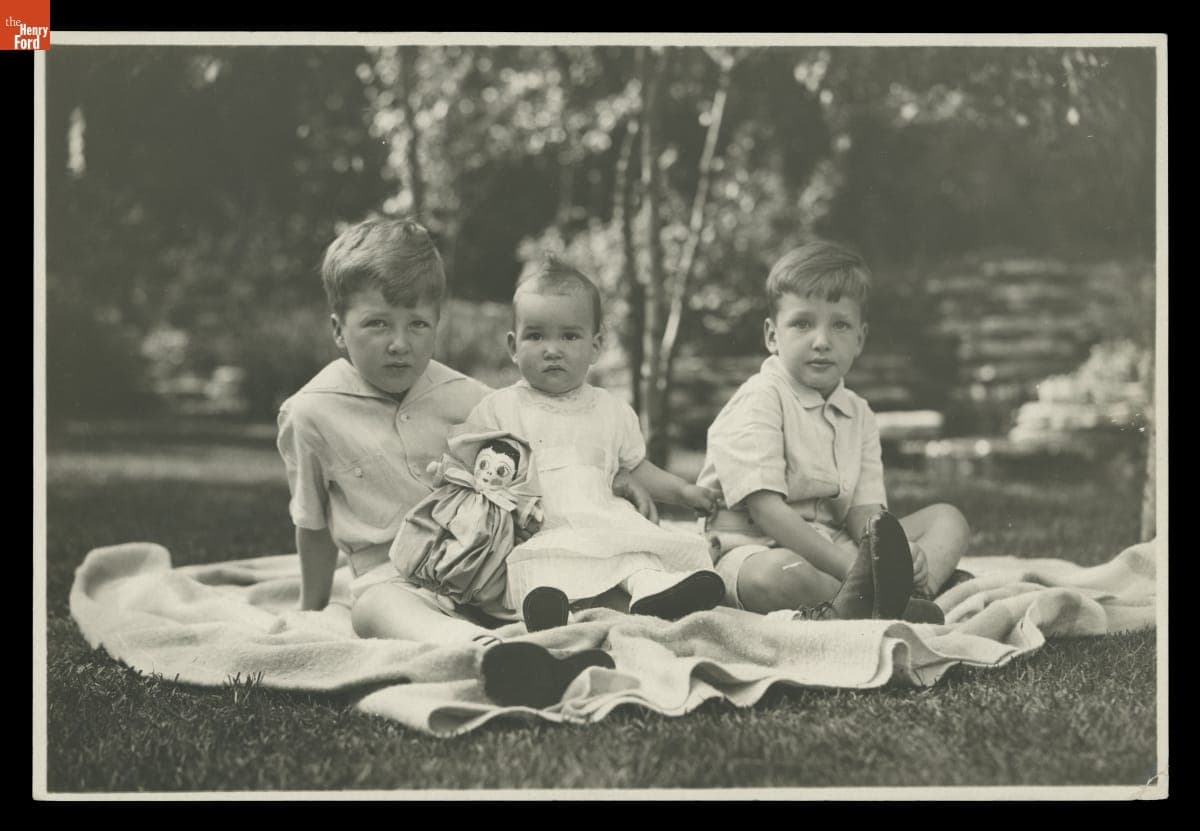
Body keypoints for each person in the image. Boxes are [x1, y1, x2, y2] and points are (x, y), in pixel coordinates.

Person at [276, 218, 650, 708]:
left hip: (480, 562)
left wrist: (611, 478)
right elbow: (313, 522)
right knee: (374, 609)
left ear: (437, 323)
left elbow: (538, 456)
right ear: (338, 330)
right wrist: (312, 608)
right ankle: (487, 654)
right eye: (376, 323)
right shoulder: (310, 414)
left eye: (418, 324)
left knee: (561, 582)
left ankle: (572, 643)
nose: (399, 343)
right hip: (389, 574)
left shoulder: (471, 400)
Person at [696, 240, 971, 621]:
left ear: (859, 339)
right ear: (773, 335)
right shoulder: (760, 399)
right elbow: (765, 511)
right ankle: (883, 603)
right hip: (754, 547)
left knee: (946, 519)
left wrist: (898, 551)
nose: (822, 341)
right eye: (803, 323)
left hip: (839, 548)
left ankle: (894, 593)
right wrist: (851, 569)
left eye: (840, 324)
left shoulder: (858, 413)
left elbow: (865, 514)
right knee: (776, 574)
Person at [464, 256, 725, 632]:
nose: (552, 349)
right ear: (513, 346)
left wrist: (683, 492)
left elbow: (637, 468)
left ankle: (653, 592)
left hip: (604, 518)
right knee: (539, 565)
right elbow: (477, 478)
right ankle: (552, 612)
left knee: (637, 553)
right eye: (535, 336)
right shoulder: (499, 409)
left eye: (569, 336)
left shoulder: (611, 410)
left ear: (596, 345)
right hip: (541, 528)